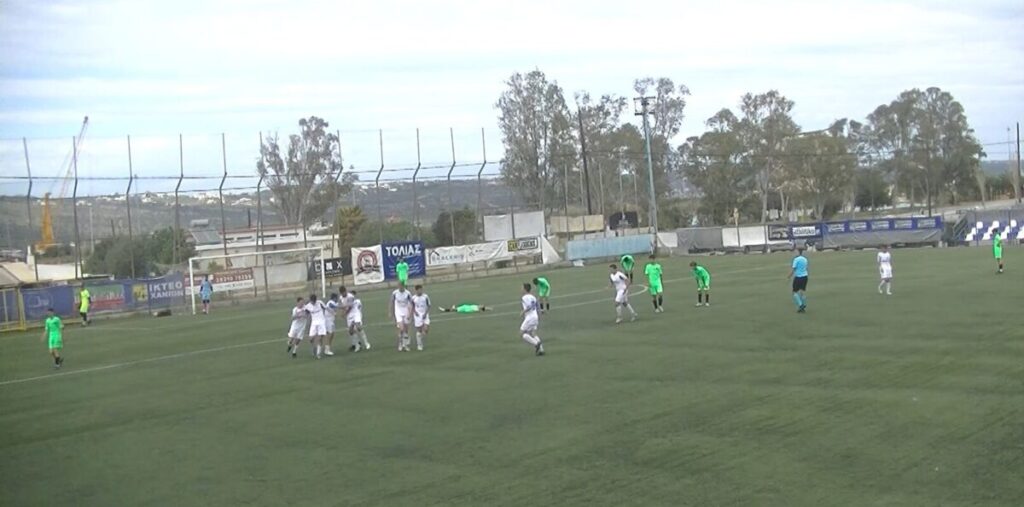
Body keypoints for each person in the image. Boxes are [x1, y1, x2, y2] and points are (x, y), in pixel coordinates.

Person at [519, 283, 545, 356]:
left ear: (525, 289)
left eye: (522, 288)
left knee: (522, 333)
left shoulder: (524, 297)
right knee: (533, 333)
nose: (521, 289)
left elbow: (529, 306)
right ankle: (541, 349)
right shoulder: (533, 297)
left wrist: (523, 311)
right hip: (535, 316)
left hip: (530, 317)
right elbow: (537, 306)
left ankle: (536, 344)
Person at [389, 282, 414, 351]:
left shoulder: (408, 293)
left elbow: (411, 304)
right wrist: (390, 312)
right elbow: (391, 302)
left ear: (404, 286)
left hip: (406, 311)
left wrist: (410, 313)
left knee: (406, 329)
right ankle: (400, 343)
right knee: (401, 328)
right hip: (398, 312)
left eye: (401, 286)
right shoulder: (395, 293)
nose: (400, 287)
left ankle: (405, 345)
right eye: (399, 286)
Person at [304, 294, 328, 359]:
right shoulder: (308, 306)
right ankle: (314, 347)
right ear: (310, 300)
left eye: (314, 301)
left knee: (320, 338)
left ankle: (318, 353)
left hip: (321, 322)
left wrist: (332, 313)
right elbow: (306, 314)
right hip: (314, 323)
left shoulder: (320, 303)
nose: (313, 302)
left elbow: (326, 308)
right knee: (311, 338)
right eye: (312, 301)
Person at [788, 247, 810, 313]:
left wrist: (789, 275)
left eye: (795, 251)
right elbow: (806, 268)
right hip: (805, 277)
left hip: (798, 277)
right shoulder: (805, 259)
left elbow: (794, 269)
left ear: (798, 252)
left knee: (794, 292)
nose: (794, 253)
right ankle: (803, 304)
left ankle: (801, 305)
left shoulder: (796, 259)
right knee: (802, 291)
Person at [411, 284, 431, 351]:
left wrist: (425, 313)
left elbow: (429, 305)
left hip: (425, 314)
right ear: (416, 290)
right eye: (419, 290)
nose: (420, 291)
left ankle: (420, 339)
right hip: (417, 315)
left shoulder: (425, 297)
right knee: (419, 330)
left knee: (426, 329)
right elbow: (412, 306)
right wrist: (415, 312)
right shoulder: (413, 298)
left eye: (421, 289)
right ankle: (419, 345)